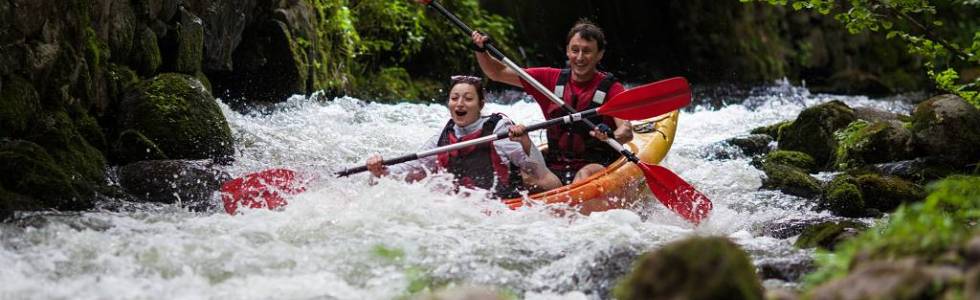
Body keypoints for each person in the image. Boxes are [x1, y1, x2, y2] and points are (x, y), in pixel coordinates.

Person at [471, 19, 633, 185]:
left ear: (600, 54)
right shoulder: (548, 79)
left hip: (597, 165)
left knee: (584, 176)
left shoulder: (612, 88)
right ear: (567, 51)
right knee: (520, 177)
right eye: (575, 50)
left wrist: (611, 135)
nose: (579, 57)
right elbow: (497, 73)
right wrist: (481, 51)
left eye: (587, 51)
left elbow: (626, 131)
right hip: (555, 165)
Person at [365, 75, 562, 198]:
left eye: (468, 99)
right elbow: (406, 171)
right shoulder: (441, 139)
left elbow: (540, 173)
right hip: (462, 210)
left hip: (500, 204)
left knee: (545, 181)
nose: (460, 104)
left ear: (481, 104)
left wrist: (525, 141)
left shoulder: (499, 131)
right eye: (454, 98)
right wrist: (379, 168)